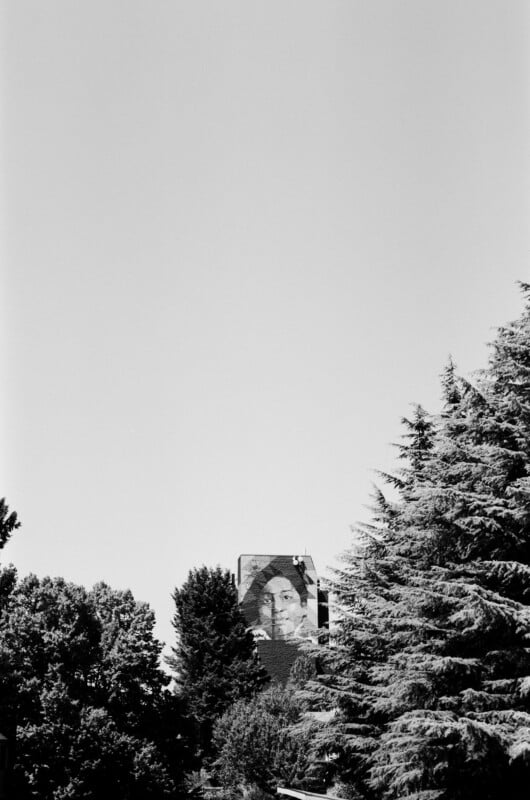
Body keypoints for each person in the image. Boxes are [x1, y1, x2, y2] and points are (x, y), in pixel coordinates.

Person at [241, 556, 314, 641]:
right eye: (267, 600)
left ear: (304, 606)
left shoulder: (310, 647)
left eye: (286, 597)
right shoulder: (250, 646)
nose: (277, 607)